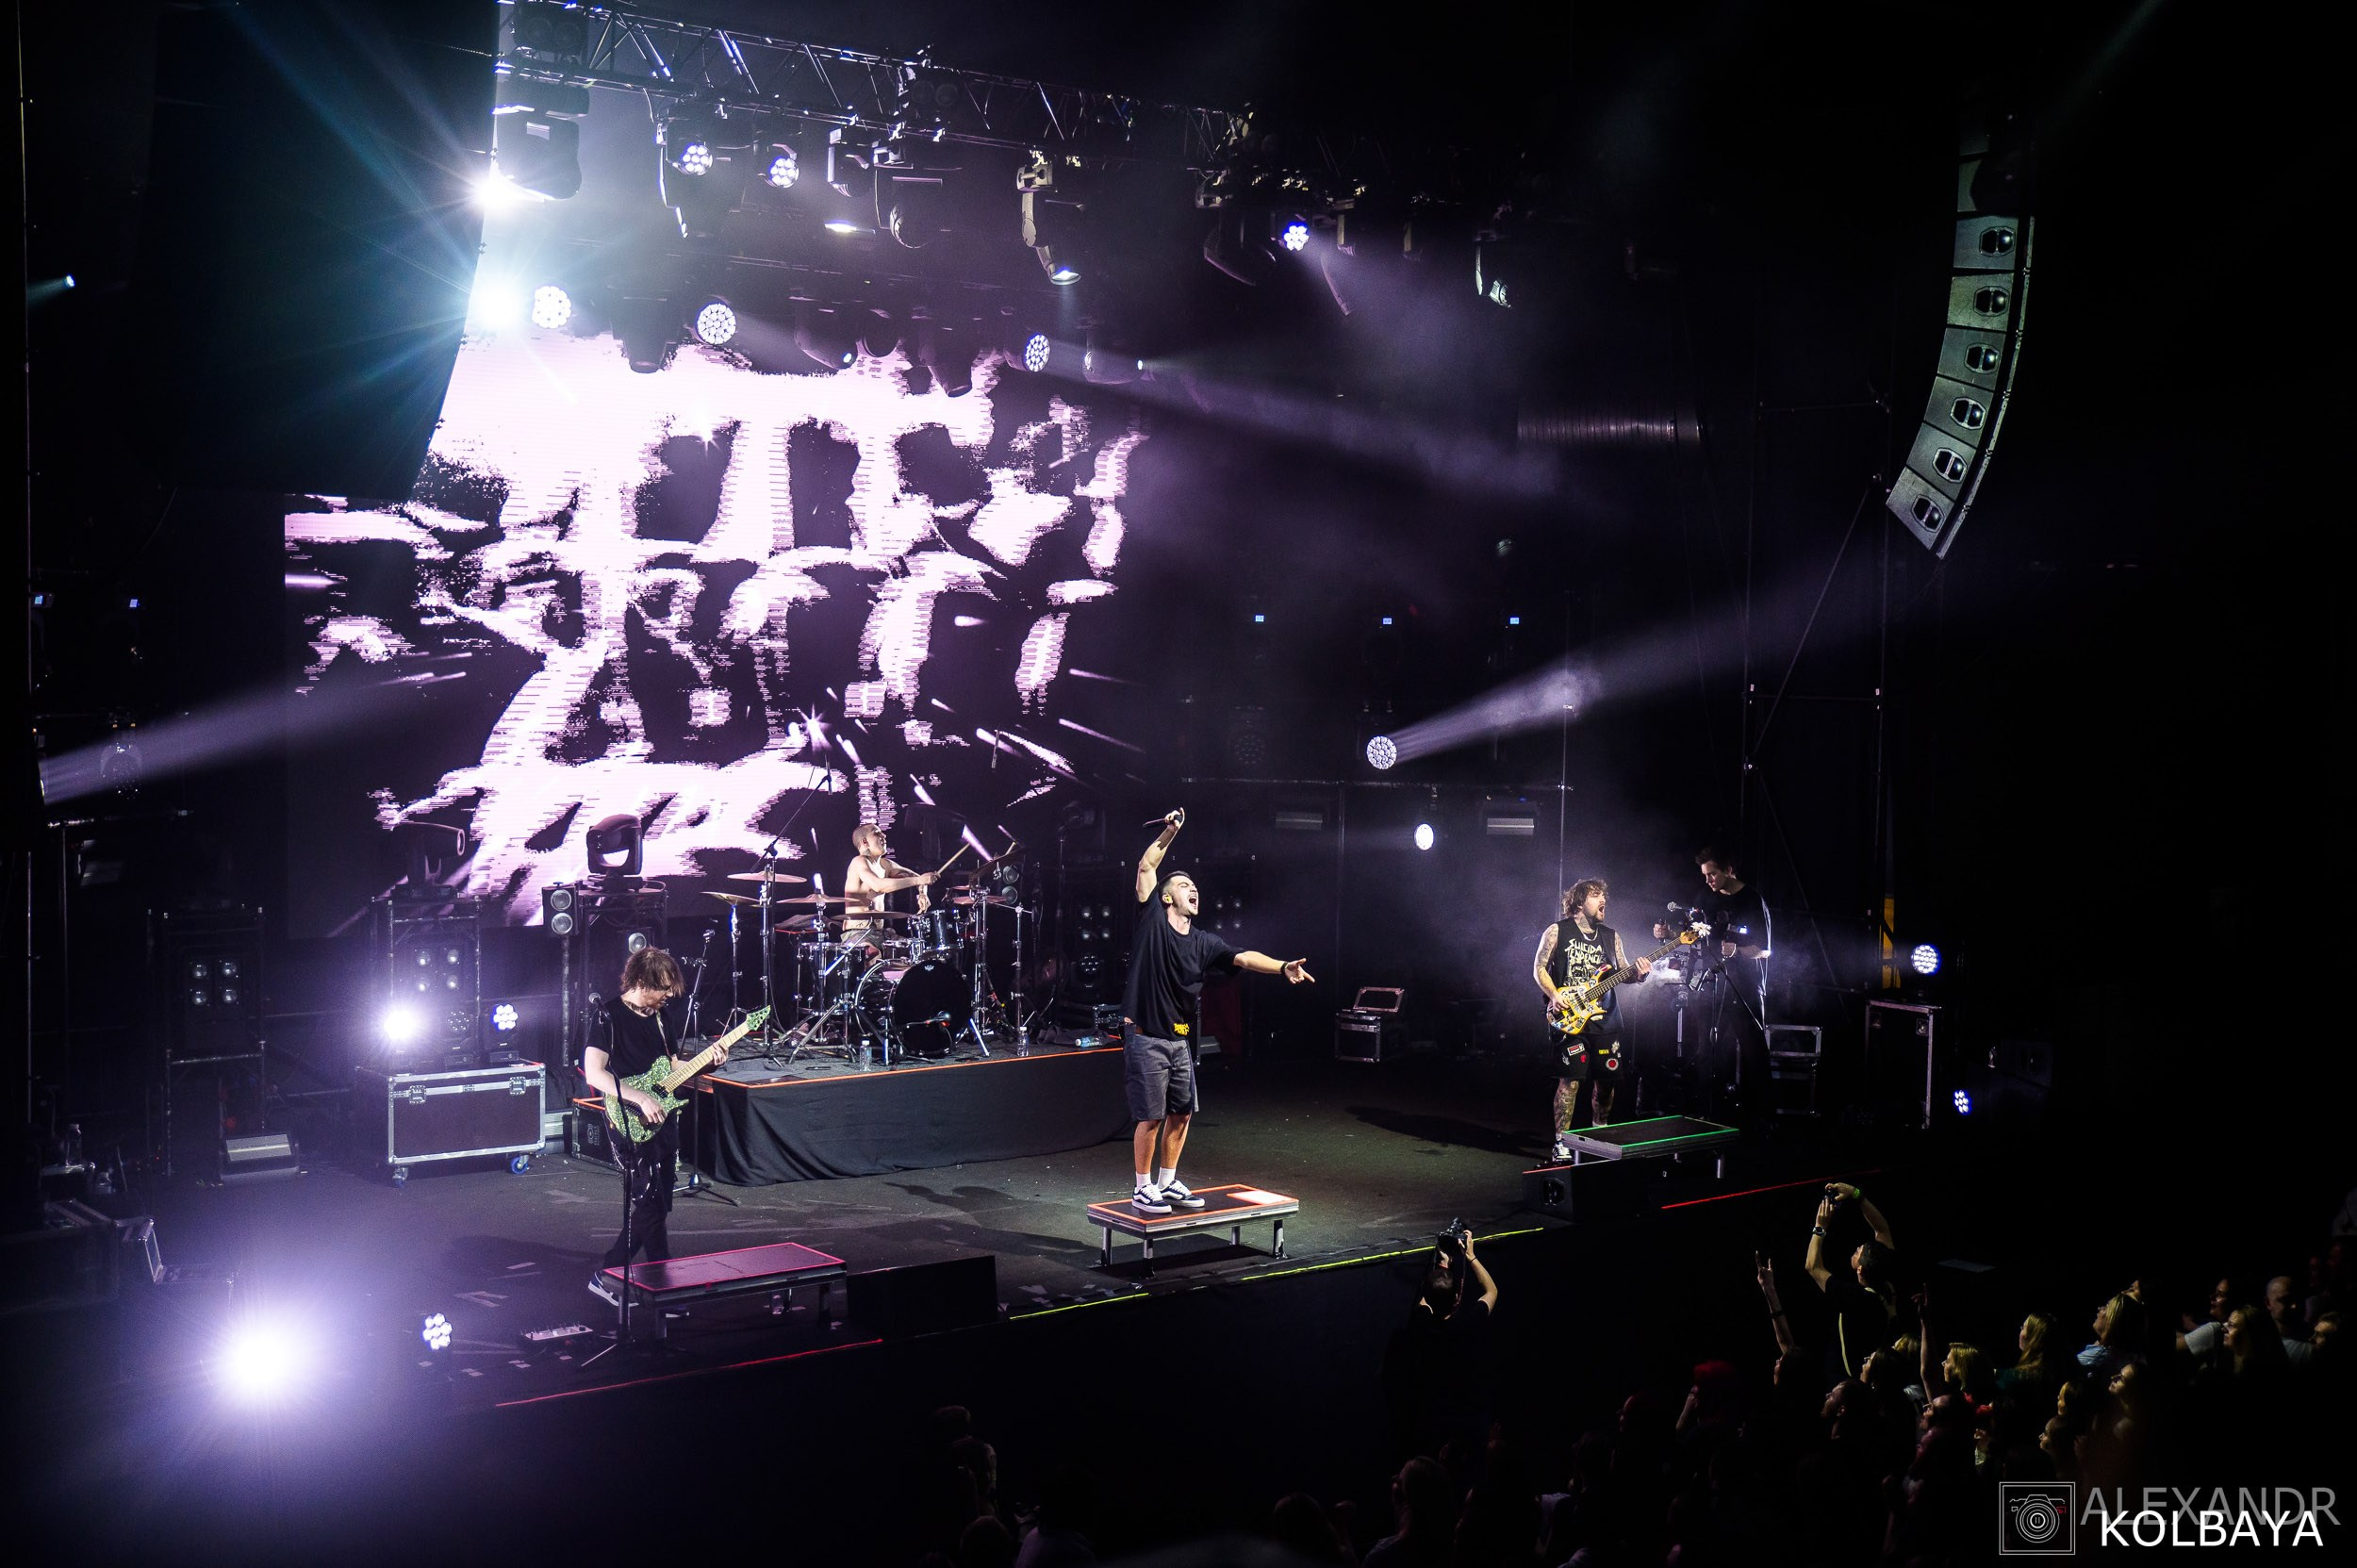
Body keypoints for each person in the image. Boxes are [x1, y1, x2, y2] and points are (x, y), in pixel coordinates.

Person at [1124, 809, 1311, 1213]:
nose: (1193, 890)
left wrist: (1282, 967)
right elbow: (1146, 865)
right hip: (1146, 1036)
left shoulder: (1204, 942)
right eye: (1184, 885)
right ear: (1166, 896)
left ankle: (1167, 1182)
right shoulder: (1152, 920)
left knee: (1182, 1114)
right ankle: (1142, 1187)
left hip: (1178, 1039)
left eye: (1195, 886)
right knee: (1151, 1118)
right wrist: (1171, 831)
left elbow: (1243, 956)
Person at [580, 947, 728, 1298]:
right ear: (642, 982)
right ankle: (654, 1282)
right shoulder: (608, 1016)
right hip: (629, 1119)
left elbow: (672, 1067)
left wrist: (708, 1062)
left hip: (664, 1117)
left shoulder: (661, 1018)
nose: (667, 996)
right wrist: (638, 1096)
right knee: (648, 1203)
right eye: (662, 988)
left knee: (658, 1203)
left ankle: (618, 1275)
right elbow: (594, 1073)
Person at [1533, 879, 1650, 1156]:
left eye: (1604, 896)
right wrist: (1553, 994)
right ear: (1579, 901)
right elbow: (1538, 967)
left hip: (1605, 1019)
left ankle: (1599, 1132)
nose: (1603, 901)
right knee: (1570, 1081)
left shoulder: (1612, 936)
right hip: (1570, 1017)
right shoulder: (1557, 931)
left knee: (1606, 1083)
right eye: (1596, 896)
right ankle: (1561, 1142)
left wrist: (1640, 975)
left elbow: (1624, 973)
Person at [1659, 846, 1770, 1120]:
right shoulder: (1705, 898)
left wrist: (1739, 951)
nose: (1708, 881)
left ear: (1729, 870)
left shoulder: (1752, 900)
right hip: (1710, 984)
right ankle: (1708, 1115)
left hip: (1743, 986)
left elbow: (1766, 949)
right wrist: (1668, 933)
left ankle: (1761, 1117)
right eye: (1705, 875)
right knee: (1708, 1050)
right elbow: (1693, 935)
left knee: (1753, 1050)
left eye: (1713, 874)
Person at [1805, 1180, 1900, 1383]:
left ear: (1861, 1269)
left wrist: (1820, 1227)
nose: (1857, 1248)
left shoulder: (1858, 1298)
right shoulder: (1885, 1279)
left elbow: (1813, 1267)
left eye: (1860, 1251)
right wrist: (1857, 1195)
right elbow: (1882, 1230)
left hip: (1847, 1382)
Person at [845, 820, 935, 949]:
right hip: (858, 933)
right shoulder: (859, 862)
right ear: (865, 842)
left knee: (915, 950)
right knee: (872, 955)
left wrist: (923, 894)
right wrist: (919, 881)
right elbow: (878, 885)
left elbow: (918, 878)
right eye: (877, 833)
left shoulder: (886, 864)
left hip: (880, 932)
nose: (884, 836)